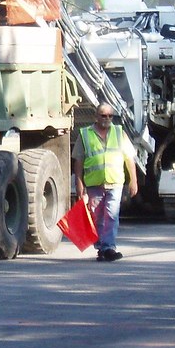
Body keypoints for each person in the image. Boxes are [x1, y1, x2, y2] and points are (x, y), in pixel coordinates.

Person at [72, 104, 139, 261]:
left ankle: (108, 247)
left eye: (110, 116)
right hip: (94, 184)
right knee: (98, 218)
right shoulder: (85, 134)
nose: (107, 118)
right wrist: (79, 183)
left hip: (115, 182)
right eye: (103, 115)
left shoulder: (119, 133)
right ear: (96, 117)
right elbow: (79, 161)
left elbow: (129, 158)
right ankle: (101, 248)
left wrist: (133, 180)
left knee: (111, 215)